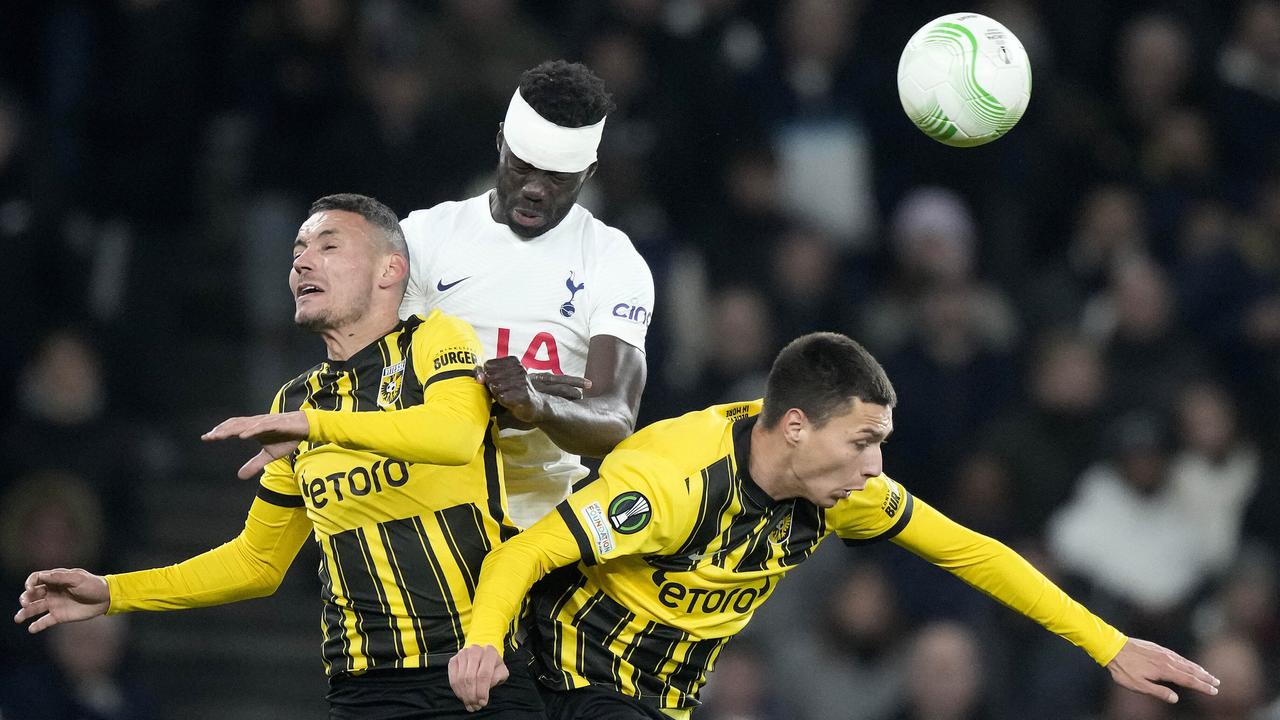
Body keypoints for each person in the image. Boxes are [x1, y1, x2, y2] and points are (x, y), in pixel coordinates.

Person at [448, 332, 1221, 719]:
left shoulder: (848, 491)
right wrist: (481, 643)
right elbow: (528, 552)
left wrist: (1107, 644)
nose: (875, 464)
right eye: (861, 441)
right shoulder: (672, 481)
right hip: (560, 676)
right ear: (794, 427)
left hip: (661, 698)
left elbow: (974, 554)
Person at [13, 194, 549, 719]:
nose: (302, 262)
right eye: (297, 251)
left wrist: (315, 425)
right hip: (363, 690)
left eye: (328, 246)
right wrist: (112, 591)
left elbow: (455, 436)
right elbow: (258, 562)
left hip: (478, 672)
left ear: (390, 270)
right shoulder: (296, 399)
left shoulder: (435, 339)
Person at [397, 59, 654, 529]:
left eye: (557, 178)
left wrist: (537, 405)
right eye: (522, 167)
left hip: (534, 523)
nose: (535, 189)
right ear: (500, 142)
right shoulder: (422, 237)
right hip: (417, 512)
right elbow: (383, 386)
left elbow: (616, 418)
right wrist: (498, 402)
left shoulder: (613, 261)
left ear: (589, 173)